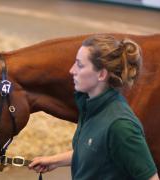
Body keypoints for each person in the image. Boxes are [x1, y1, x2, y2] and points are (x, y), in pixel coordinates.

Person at [28, 35, 159, 180]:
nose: (72, 70)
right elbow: (96, 150)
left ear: (102, 74)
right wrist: (55, 161)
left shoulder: (121, 126)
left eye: (80, 65)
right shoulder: (90, 105)